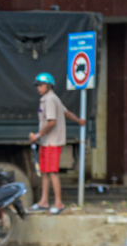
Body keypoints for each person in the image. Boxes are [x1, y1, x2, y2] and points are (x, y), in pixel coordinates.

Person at [28, 74, 88, 215]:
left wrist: (37, 135)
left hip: (52, 142)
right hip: (46, 142)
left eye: (41, 85)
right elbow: (65, 112)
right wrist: (79, 121)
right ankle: (44, 201)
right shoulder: (50, 99)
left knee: (52, 172)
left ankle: (58, 203)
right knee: (45, 172)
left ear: (49, 86)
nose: (39, 88)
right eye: (38, 85)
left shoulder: (50, 99)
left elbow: (52, 121)